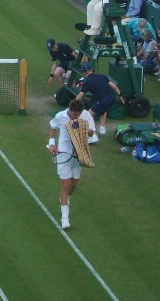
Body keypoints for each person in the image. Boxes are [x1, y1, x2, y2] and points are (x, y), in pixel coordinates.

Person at [47, 98, 92, 230]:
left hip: (79, 155)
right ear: (70, 110)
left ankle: (64, 199)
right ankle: (65, 218)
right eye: (74, 115)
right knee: (66, 185)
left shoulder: (86, 115)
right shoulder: (60, 116)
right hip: (63, 154)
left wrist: (85, 129)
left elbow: (92, 133)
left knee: (73, 185)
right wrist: (51, 144)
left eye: (78, 114)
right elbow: (53, 127)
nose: (76, 116)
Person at [77, 62, 120, 135]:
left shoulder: (87, 82)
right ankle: (102, 128)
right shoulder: (102, 76)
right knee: (103, 110)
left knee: (90, 113)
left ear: (84, 73)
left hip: (104, 100)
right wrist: (120, 95)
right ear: (92, 70)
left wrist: (72, 106)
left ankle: (92, 132)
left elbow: (79, 97)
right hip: (112, 98)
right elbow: (115, 87)